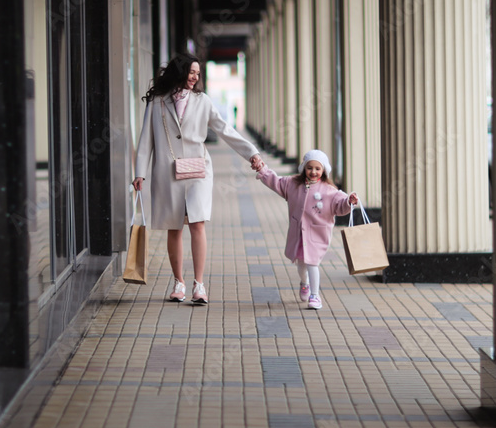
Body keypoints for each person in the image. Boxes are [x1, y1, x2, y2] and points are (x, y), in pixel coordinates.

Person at [133, 52, 264, 303]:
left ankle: (199, 285)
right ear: (180, 72)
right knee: (173, 226)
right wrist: (140, 172)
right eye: (191, 72)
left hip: (198, 170)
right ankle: (178, 282)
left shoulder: (202, 101)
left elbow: (225, 129)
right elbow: (145, 140)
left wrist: (252, 153)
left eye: (197, 73)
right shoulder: (158, 102)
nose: (195, 77)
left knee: (197, 223)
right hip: (167, 170)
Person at [255, 149, 358, 310]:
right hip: (298, 234)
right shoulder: (293, 184)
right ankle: (304, 283)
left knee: (312, 263)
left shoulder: (329, 190)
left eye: (318, 168)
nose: (313, 172)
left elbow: (340, 205)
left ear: (324, 170)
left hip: (317, 233)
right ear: (303, 168)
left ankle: (315, 296)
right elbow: (275, 182)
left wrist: (349, 201)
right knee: (301, 265)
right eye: (310, 168)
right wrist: (262, 169)